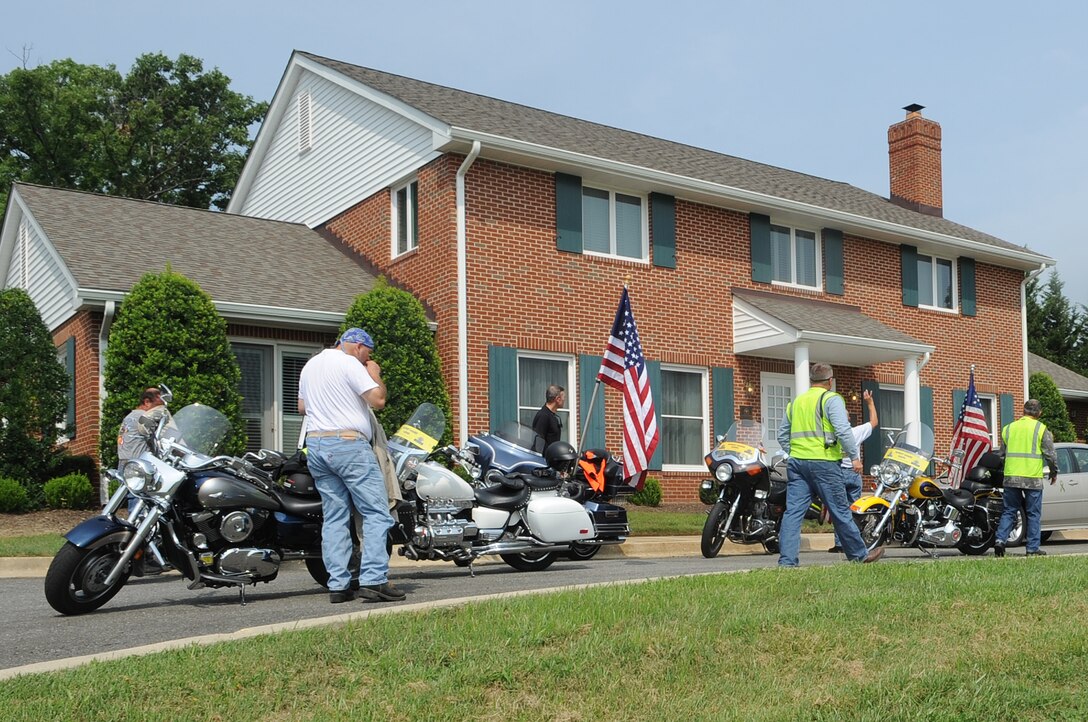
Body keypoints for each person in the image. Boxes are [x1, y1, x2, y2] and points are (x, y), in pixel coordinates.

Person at [297, 327, 405, 604]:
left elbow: (302, 407)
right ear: (357, 346)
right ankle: (374, 580)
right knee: (376, 513)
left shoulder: (311, 365)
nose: (367, 358)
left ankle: (338, 585)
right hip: (348, 445)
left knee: (334, 518)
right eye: (367, 354)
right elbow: (378, 400)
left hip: (317, 446)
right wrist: (373, 373)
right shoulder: (348, 362)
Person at [777, 363, 884, 567]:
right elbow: (843, 431)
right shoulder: (831, 399)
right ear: (830, 381)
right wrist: (854, 457)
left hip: (797, 464)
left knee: (793, 513)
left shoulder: (797, 402)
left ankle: (787, 562)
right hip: (824, 463)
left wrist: (794, 453)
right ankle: (859, 555)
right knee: (840, 510)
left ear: (811, 380)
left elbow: (782, 435)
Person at [994, 398, 1057, 558]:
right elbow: (1050, 455)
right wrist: (1053, 472)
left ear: (1023, 411)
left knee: (1009, 511)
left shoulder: (1009, 428)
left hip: (1011, 477)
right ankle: (1032, 548)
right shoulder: (1041, 429)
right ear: (1039, 413)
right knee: (1033, 514)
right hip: (1032, 478)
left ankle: (1000, 541)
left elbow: (1001, 455)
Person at [829, 389, 879, 553]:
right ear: (848, 419)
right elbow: (873, 422)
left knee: (839, 510)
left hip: (837, 473)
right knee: (855, 511)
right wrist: (870, 403)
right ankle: (855, 543)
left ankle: (839, 544)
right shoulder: (855, 432)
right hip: (854, 473)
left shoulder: (830, 434)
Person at [531, 384, 565, 450]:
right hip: (544, 459)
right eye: (564, 398)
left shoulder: (552, 416)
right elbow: (538, 444)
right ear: (558, 399)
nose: (564, 400)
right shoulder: (543, 416)